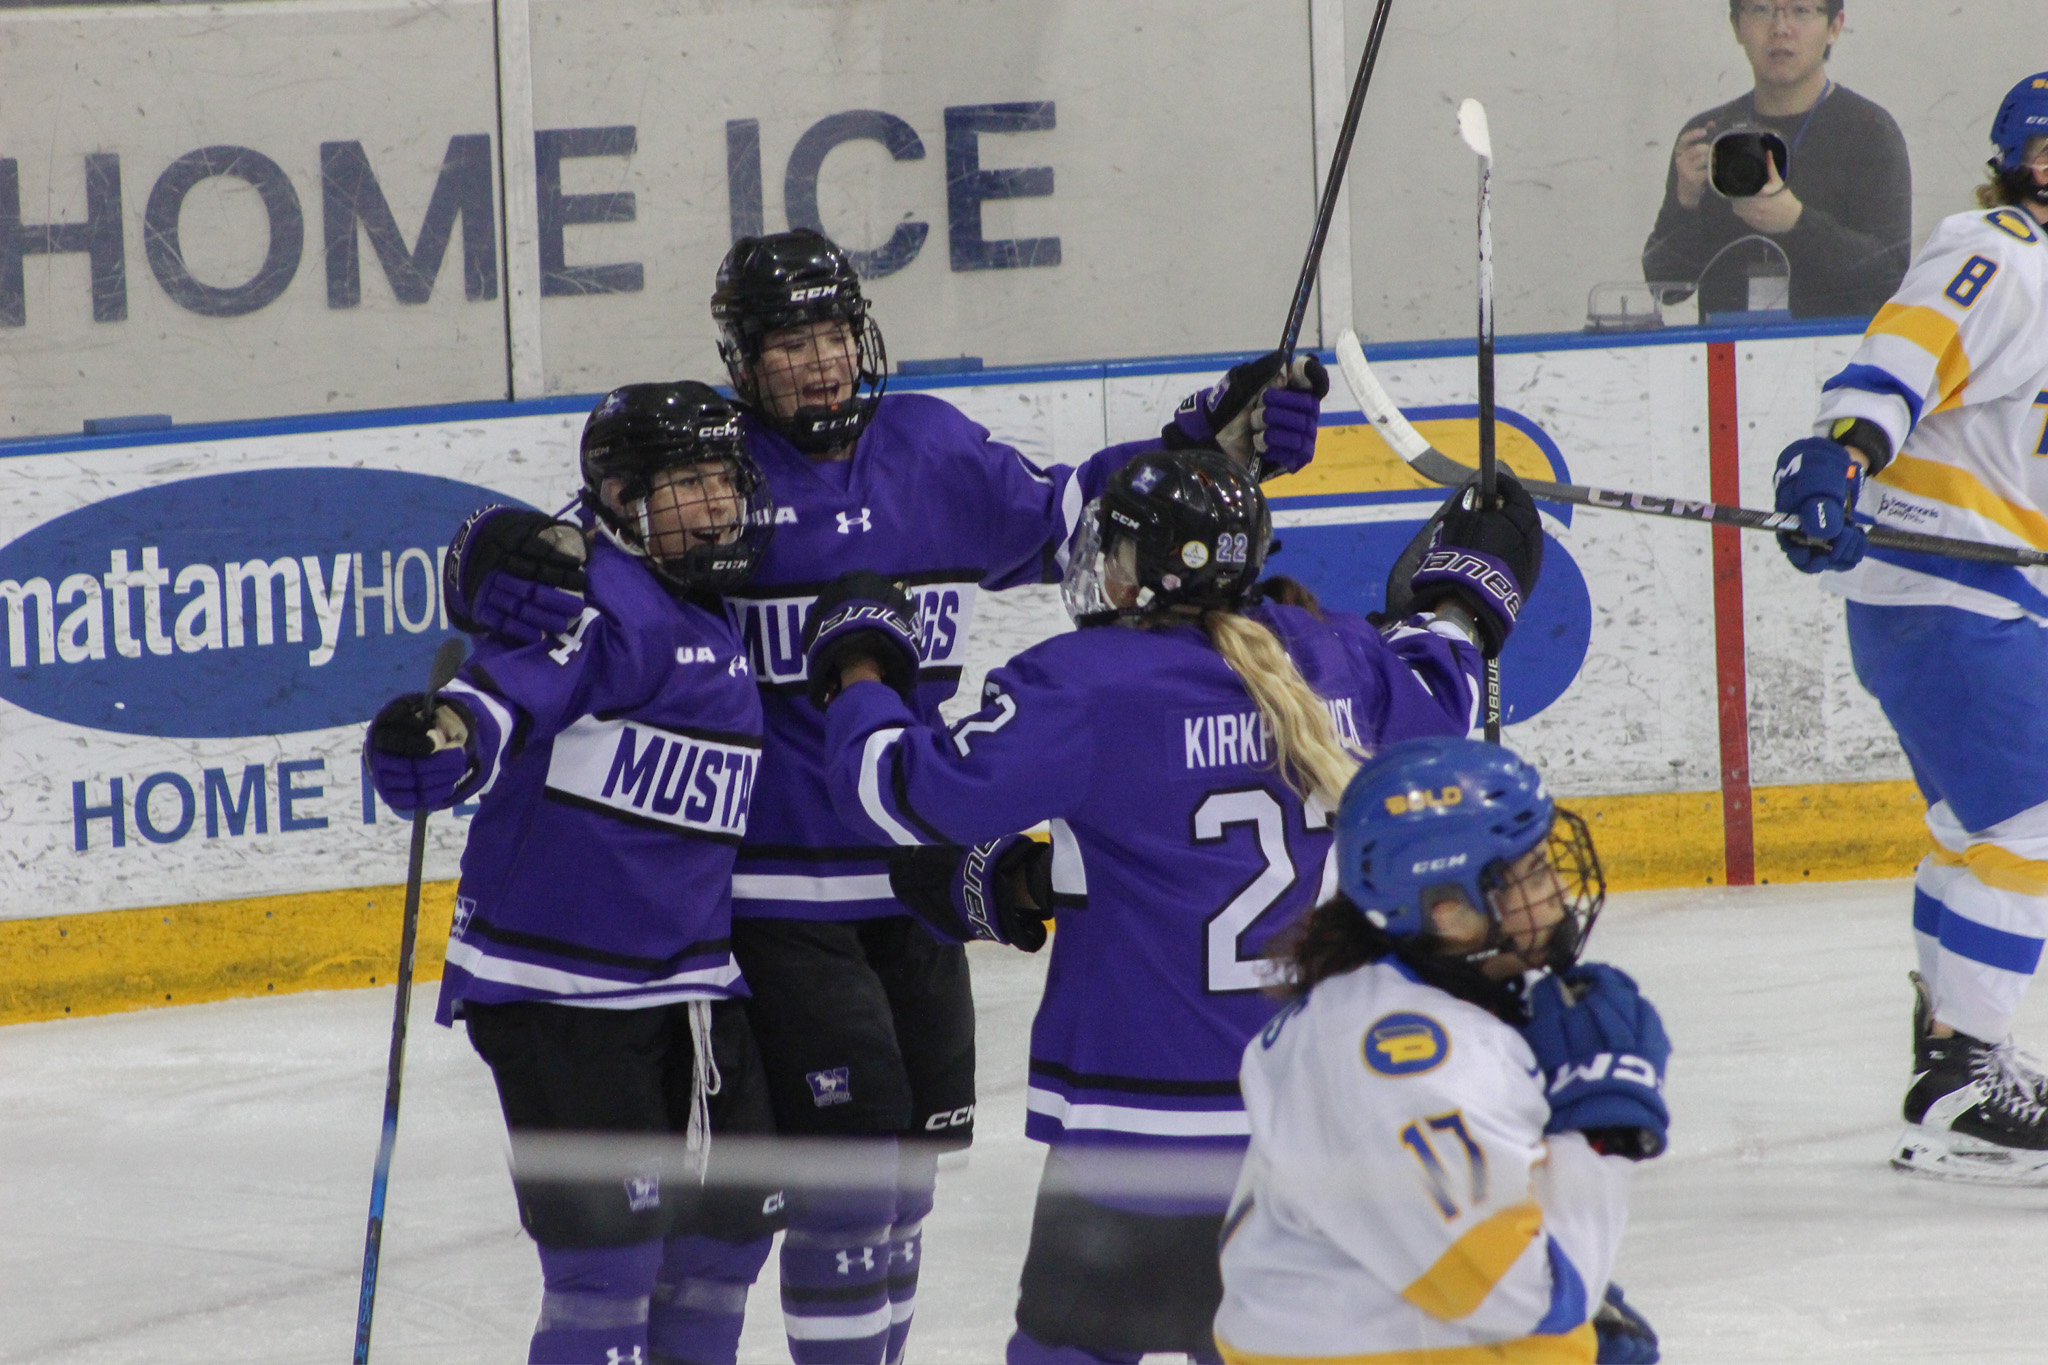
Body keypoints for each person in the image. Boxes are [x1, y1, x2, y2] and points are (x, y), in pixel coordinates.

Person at [438, 228, 1330, 1365]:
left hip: (914, 888)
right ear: (740, 359)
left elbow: (1090, 520)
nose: (817, 364)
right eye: (786, 344)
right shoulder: (720, 478)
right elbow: (583, 559)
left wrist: (1215, 432)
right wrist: (490, 553)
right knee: (844, 1196)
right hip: (773, 905)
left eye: (829, 335)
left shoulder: (934, 450)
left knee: (901, 1195)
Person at [805, 447, 1542, 1363]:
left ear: (1146, 574)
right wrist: (1468, 593)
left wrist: (860, 669)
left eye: (1112, 550)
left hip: (1139, 1137)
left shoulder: (1086, 685)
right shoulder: (1335, 657)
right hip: (1310, 1132)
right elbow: (1444, 685)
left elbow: (896, 792)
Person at [365, 382, 784, 1365]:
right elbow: (508, 691)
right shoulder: (600, 601)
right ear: (619, 494)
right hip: (561, 997)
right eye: (689, 483)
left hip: (693, 990)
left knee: (725, 1244)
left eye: (725, 479)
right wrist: (447, 737)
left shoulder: (703, 599)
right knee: (604, 1279)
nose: (718, 505)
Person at [1767, 72, 2048, 1184]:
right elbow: (1901, 353)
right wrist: (1842, 447)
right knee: (2029, 826)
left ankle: (1949, 1060)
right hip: (1944, 590)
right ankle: (1965, 1085)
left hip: (1967, 597)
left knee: (1967, 828)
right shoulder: (2000, 253)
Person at [1213, 736, 1669, 1364]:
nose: (1558, 892)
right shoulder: (1406, 1067)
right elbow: (1527, 1296)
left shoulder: (1402, 996)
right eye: (1532, 872)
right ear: (1450, 913)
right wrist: (1601, 1137)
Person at [1642, 0, 1909, 320]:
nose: (1780, 28)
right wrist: (1683, 204)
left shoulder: (1869, 131)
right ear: (1736, 25)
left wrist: (1796, 221)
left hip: (1837, 356)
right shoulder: (1712, 137)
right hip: (1730, 358)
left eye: (1801, 11)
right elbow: (1667, 287)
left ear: (1834, 27)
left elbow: (1891, 275)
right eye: (1760, 10)